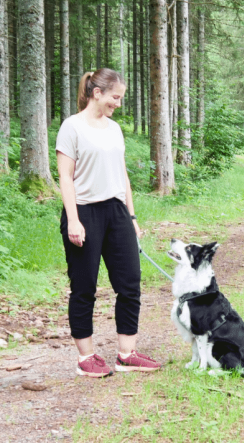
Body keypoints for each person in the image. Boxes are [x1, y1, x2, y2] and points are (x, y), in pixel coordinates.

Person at [55, 68, 161, 377]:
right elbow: (65, 176)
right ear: (96, 93)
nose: (118, 103)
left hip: (117, 212)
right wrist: (73, 220)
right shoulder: (71, 127)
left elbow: (122, 174)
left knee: (130, 283)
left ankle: (126, 354)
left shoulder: (114, 129)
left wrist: (132, 216)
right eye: (115, 97)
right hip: (85, 212)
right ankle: (85, 357)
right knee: (84, 286)